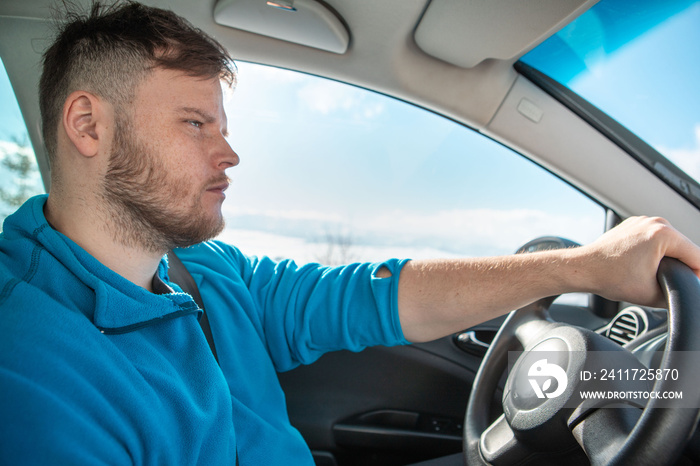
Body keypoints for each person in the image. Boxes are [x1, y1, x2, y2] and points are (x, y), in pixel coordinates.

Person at [1, 1, 699, 464]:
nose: (230, 153)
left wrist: (582, 267)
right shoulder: (27, 363)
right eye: (195, 123)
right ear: (89, 126)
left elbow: (377, 297)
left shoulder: (205, 270)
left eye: (224, 126)